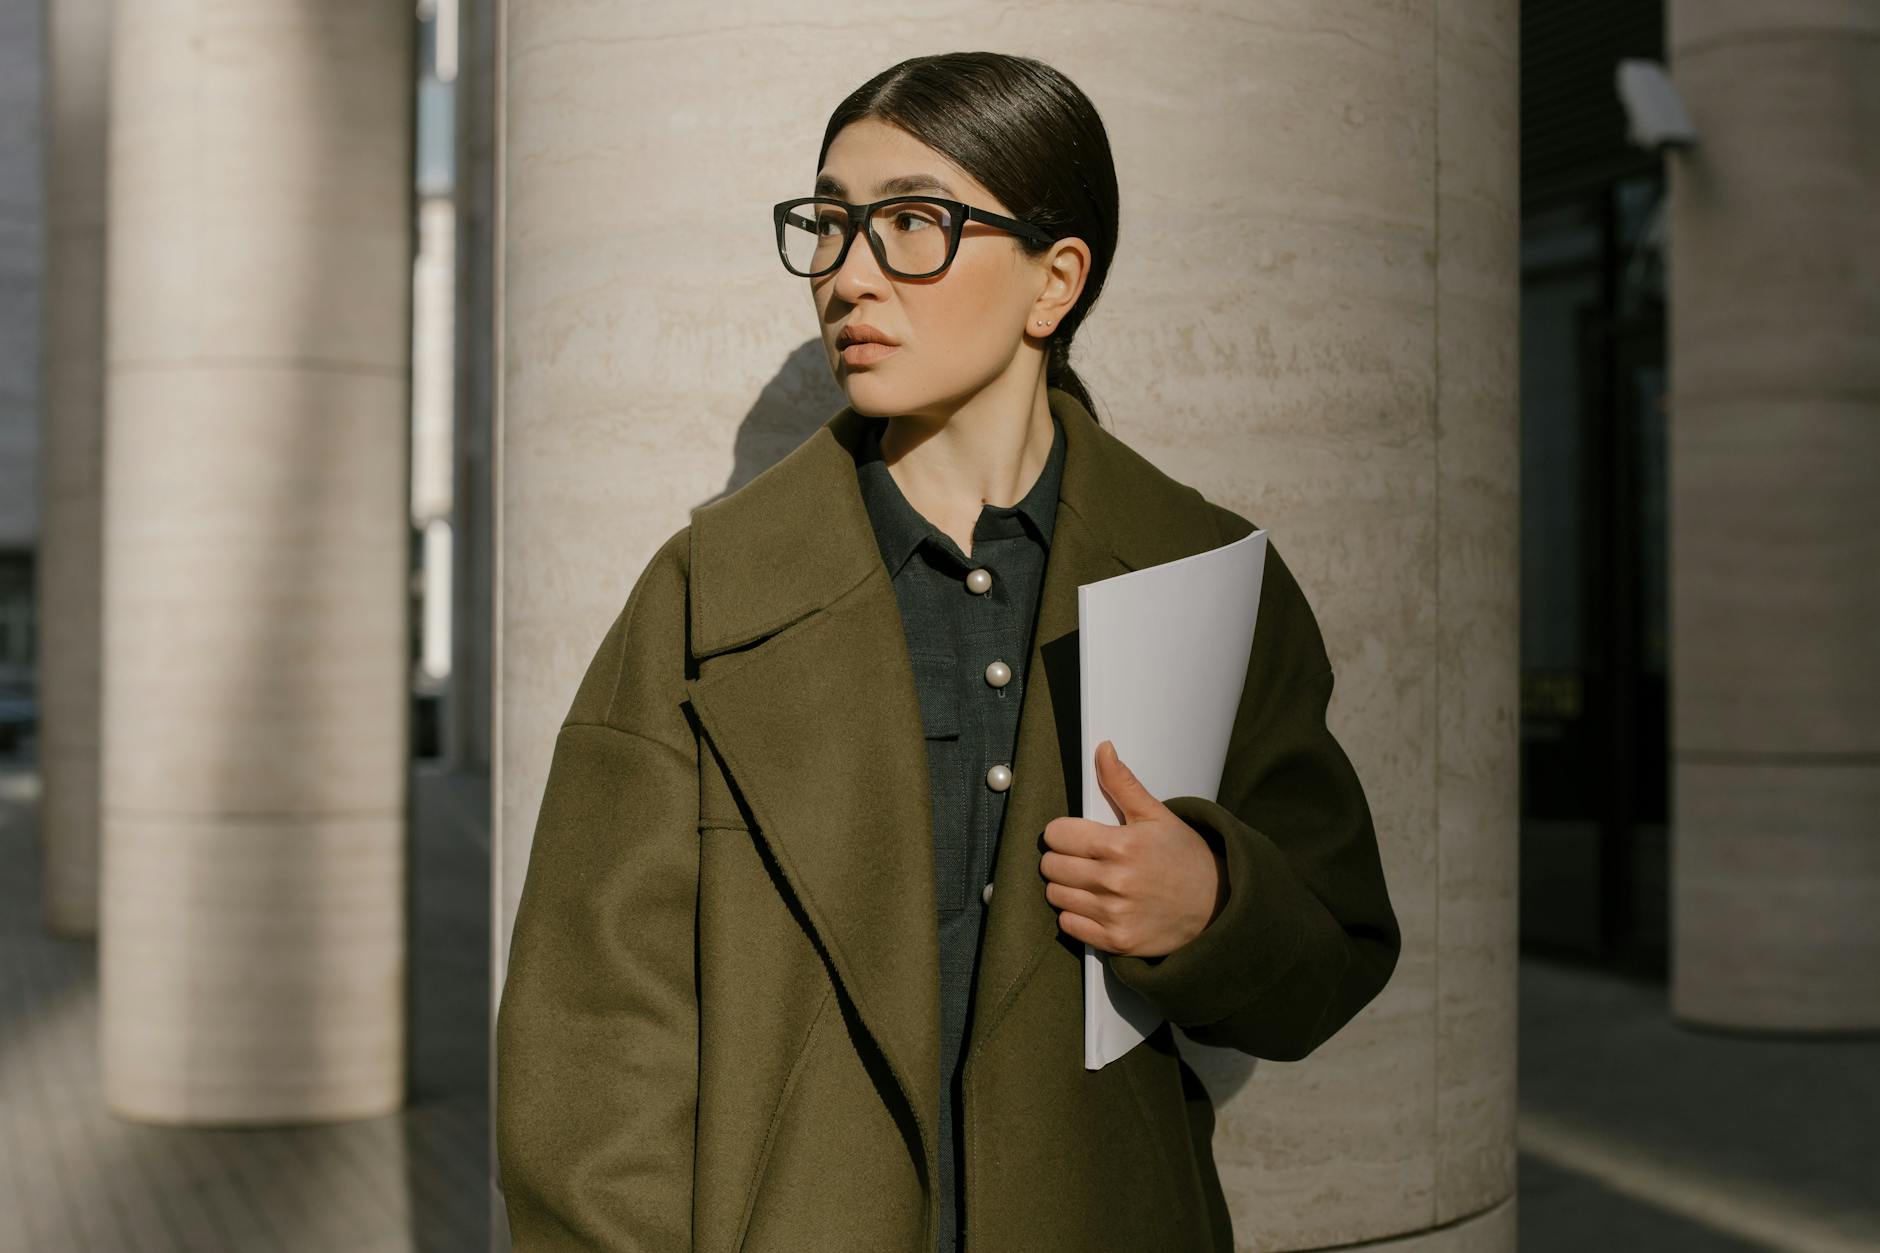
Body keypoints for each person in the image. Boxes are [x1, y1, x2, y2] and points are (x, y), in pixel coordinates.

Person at [496, 50, 1401, 1253]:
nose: (847, 275)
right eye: (828, 225)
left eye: (911, 223)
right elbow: (593, 1048)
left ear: (1053, 280)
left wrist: (1212, 904)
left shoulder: (1198, 571)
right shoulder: (704, 593)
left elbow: (1331, 954)